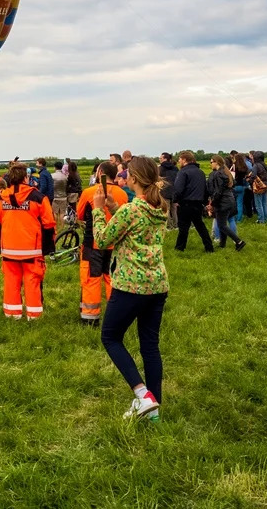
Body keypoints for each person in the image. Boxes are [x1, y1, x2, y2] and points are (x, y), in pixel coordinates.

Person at [93, 156, 169, 422]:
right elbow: (135, 231)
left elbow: (103, 240)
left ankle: (142, 395)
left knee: (110, 337)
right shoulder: (160, 207)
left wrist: (98, 209)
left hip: (130, 285)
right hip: (157, 284)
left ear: (134, 179)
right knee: (150, 345)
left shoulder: (132, 210)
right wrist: (114, 208)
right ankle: (154, 408)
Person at [0, 162, 56, 320]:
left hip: (9, 250)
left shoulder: (0, 197)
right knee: (32, 282)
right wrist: (46, 246)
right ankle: (34, 316)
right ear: (26, 177)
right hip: (32, 250)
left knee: (11, 282)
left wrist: (3, 238)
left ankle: (12, 314)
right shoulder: (38, 197)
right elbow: (49, 225)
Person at [76, 161, 129, 325]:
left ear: (100, 174)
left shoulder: (89, 192)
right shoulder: (123, 194)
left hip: (93, 244)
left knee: (91, 279)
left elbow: (79, 215)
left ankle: (90, 317)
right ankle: (116, 316)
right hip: (115, 244)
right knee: (112, 279)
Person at [172, 151, 214, 253]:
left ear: (185, 160)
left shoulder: (182, 172)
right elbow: (205, 188)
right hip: (198, 203)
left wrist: (175, 200)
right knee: (200, 225)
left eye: (180, 159)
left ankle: (180, 247)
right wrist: (204, 201)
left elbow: (178, 189)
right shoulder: (201, 172)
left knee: (183, 227)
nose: (179, 161)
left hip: (185, 203)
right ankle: (209, 246)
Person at [207, 155, 246, 251]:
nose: (210, 164)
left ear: (216, 162)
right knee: (223, 223)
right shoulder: (225, 172)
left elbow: (218, 191)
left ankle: (239, 241)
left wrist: (213, 203)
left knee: (221, 225)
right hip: (229, 200)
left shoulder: (218, 174)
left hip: (223, 202)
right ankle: (222, 243)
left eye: (211, 162)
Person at [158, 153, 179, 230]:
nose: (159, 159)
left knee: (167, 209)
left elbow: (158, 179)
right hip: (174, 191)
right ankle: (176, 225)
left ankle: (169, 226)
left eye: (161, 158)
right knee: (174, 209)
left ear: (165, 159)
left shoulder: (160, 168)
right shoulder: (175, 168)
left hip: (165, 191)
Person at [250, 152, 267, 224]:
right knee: (264, 203)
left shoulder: (256, 165)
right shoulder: (265, 165)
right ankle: (266, 218)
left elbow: (253, 175)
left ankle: (261, 220)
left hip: (258, 186)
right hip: (266, 185)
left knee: (258, 204)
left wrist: (249, 181)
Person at [51, 160, 68, 231]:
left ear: (55, 167)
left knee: (55, 212)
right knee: (62, 213)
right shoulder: (65, 176)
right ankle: (62, 227)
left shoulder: (52, 176)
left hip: (55, 196)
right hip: (63, 196)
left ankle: (55, 227)